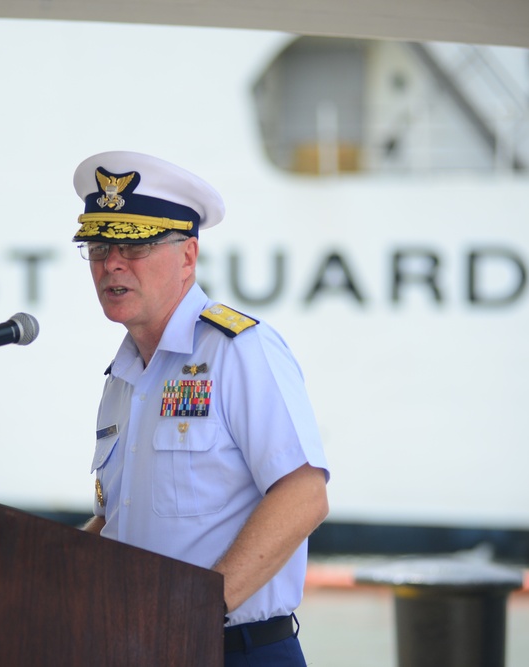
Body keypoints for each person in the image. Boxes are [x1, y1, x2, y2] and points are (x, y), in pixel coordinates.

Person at [73, 151, 330, 666]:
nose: (111, 263)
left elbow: (304, 496)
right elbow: (116, 519)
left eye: (134, 244)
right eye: (99, 246)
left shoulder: (238, 350)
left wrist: (197, 611)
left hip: (233, 650)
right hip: (139, 649)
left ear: (188, 256)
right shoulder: (123, 378)